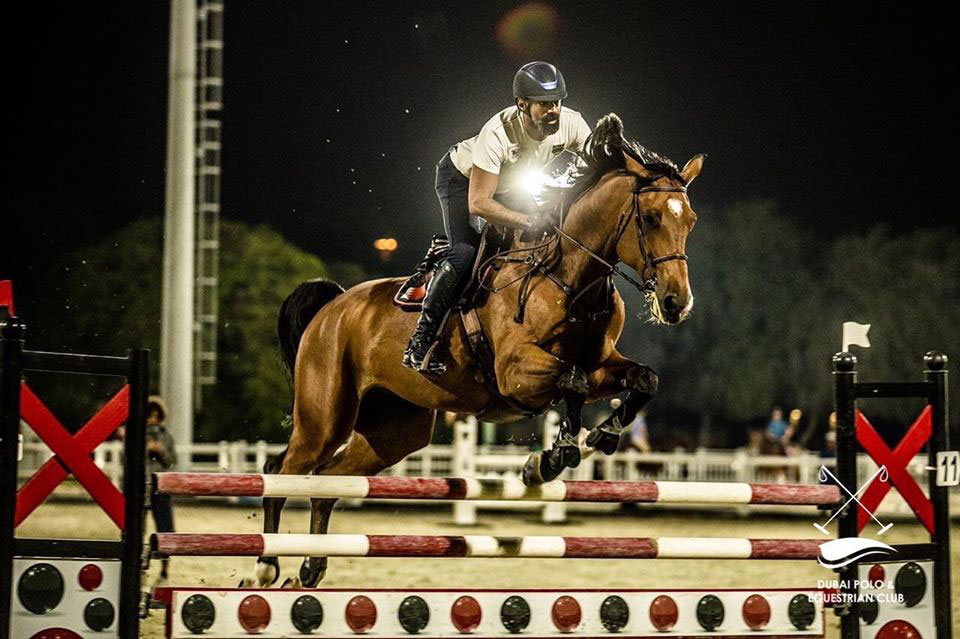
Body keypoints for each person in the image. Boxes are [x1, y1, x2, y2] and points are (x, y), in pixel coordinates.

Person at [403, 61, 592, 374]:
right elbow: (479, 204)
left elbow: (600, 165)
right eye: (544, 105)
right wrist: (529, 221)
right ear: (522, 104)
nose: (553, 111)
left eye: (557, 103)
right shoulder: (498, 133)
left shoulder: (573, 123)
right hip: (462, 179)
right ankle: (420, 341)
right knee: (465, 252)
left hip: (509, 183)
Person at [144, 395, 177, 581]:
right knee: (136, 528)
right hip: (141, 487)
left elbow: (172, 463)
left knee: (166, 528)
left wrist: (161, 452)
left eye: (156, 416)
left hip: (161, 488)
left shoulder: (167, 436)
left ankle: (165, 568)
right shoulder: (136, 434)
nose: (152, 420)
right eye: (149, 416)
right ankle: (138, 564)